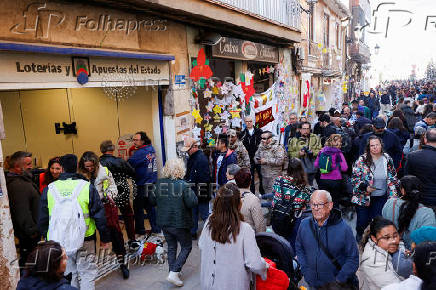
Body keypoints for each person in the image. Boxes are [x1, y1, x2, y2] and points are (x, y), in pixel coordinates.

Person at [39, 154, 111, 290]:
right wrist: (104, 237)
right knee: (87, 272)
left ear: (62, 169)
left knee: (69, 273)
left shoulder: (50, 189)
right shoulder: (86, 187)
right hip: (85, 237)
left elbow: (43, 218)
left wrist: (47, 237)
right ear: (77, 167)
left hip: (60, 239)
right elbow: (99, 215)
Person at [199, 183, 267, 290]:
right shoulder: (245, 229)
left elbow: (201, 245)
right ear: (238, 204)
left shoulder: (209, 222)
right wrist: (265, 266)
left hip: (209, 284)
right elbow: (255, 264)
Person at [79, 151, 129, 279]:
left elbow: (113, 187)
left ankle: (122, 261)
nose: (89, 168)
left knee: (115, 233)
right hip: (87, 208)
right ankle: (91, 265)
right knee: (90, 236)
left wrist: (111, 196)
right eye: (87, 166)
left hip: (106, 206)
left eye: (91, 166)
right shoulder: (80, 175)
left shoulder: (104, 172)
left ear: (96, 163)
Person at [295, 190, 359, 289]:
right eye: (313, 204)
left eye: (320, 204)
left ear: (330, 205)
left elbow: (353, 258)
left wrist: (339, 281)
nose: (316, 208)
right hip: (313, 284)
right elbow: (299, 248)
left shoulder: (344, 229)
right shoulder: (304, 224)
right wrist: (306, 271)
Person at [149, 158, 198, 287]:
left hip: (164, 222)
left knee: (171, 246)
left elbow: (152, 201)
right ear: (180, 170)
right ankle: (174, 272)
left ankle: (173, 270)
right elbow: (192, 202)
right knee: (186, 246)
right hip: (180, 222)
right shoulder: (183, 185)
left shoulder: (159, 184)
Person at [352, 135, 400, 241]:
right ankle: (360, 239)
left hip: (381, 197)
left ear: (381, 145)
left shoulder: (387, 159)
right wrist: (365, 188)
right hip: (363, 198)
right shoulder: (362, 160)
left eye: (377, 145)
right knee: (362, 222)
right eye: (372, 145)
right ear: (368, 147)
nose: (375, 147)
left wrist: (393, 195)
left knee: (376, 222)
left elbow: (392, 177)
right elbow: (355, 179)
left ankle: (372, 241)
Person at [99, 140, 138, 250]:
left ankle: (116, 243)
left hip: (107, 191)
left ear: (102, 150)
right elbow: (132, 172)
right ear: (113, 149)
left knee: (111, 218)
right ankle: (132, 239)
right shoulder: (120, 161)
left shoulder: (99, 163)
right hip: (121, 189)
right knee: (128, 215)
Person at [6, 151, 40, 268]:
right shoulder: (18, 186)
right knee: (29, 264)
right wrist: (33, 231)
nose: (31, 167)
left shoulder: (23, 180)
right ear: (17, 167)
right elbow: (22, 212)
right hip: (28, 235)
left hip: (30, 232)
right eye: (28, 164)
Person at [382, 175, 436, 249]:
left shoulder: (390, 203)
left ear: (403, 191)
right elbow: (430, 240)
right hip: (415, 255)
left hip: (390, 249)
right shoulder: (427, 213)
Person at [271, 158, 313, 248]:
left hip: (277, 216)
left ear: (288, 168)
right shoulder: (304, 188)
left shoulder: (279, 180)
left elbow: (274, 192)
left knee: (279, 243)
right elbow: (307, 204)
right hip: (292, 221)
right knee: (292, 245)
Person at [359, 217, 410, 290]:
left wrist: (407, 257)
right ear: (374, 239)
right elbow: (396, 287)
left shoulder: (395, 247)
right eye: (386, 238)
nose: (393, 241)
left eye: (395, 236)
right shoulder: (372, 261)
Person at [128, 131, 159, 234]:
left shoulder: (140, 153)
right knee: (151, 208)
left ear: (143, 140)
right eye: (133, 140)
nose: (134, 142)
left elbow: (129, 164)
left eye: (136, 140)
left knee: (138, 209)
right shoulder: (151, 149)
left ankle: (140, 231)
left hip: (141, 184)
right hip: (151, 183)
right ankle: (156, 229)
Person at [181, 137, 211, 240]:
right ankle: (193, 233)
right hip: (194, 192)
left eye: (188, 149)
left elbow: (204, 179)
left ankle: (210, 234)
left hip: (201, 193)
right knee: (193, 214)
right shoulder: (193, 157)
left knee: (204, 215)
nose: (187, 152)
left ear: (195, 147)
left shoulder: (201, 159)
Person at [404, 128, 436, 208]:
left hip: (417, 199)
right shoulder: (412, 156)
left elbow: (407, 177)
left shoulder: (412, 156)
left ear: (425, 140)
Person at [314, 134, 348, 207]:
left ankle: (324, 215)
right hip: (335, 180)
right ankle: (334, 215)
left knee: (323, 200)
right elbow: (344, 168)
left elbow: (316, 164)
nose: (341, 143)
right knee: (334, 201)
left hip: (323, 180)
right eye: (340, 142)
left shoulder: (322, 151)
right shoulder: (338, 153)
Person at [235, 169, 266, 233]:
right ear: (250, 182)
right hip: (248, 235)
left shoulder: (230, 195)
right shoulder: (253, 200)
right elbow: (259, 224)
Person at [239, 116, 264, 194]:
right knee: (250, 177)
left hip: (258, 157)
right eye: (247, 121)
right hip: (248, 158)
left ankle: (263, 193)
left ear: (252, 122)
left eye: (250, 121)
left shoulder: (259, 131)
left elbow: (263, 143)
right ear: (245, 123)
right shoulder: (242, 134)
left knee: (261, 175)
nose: (248, 123)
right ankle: (252, 193)